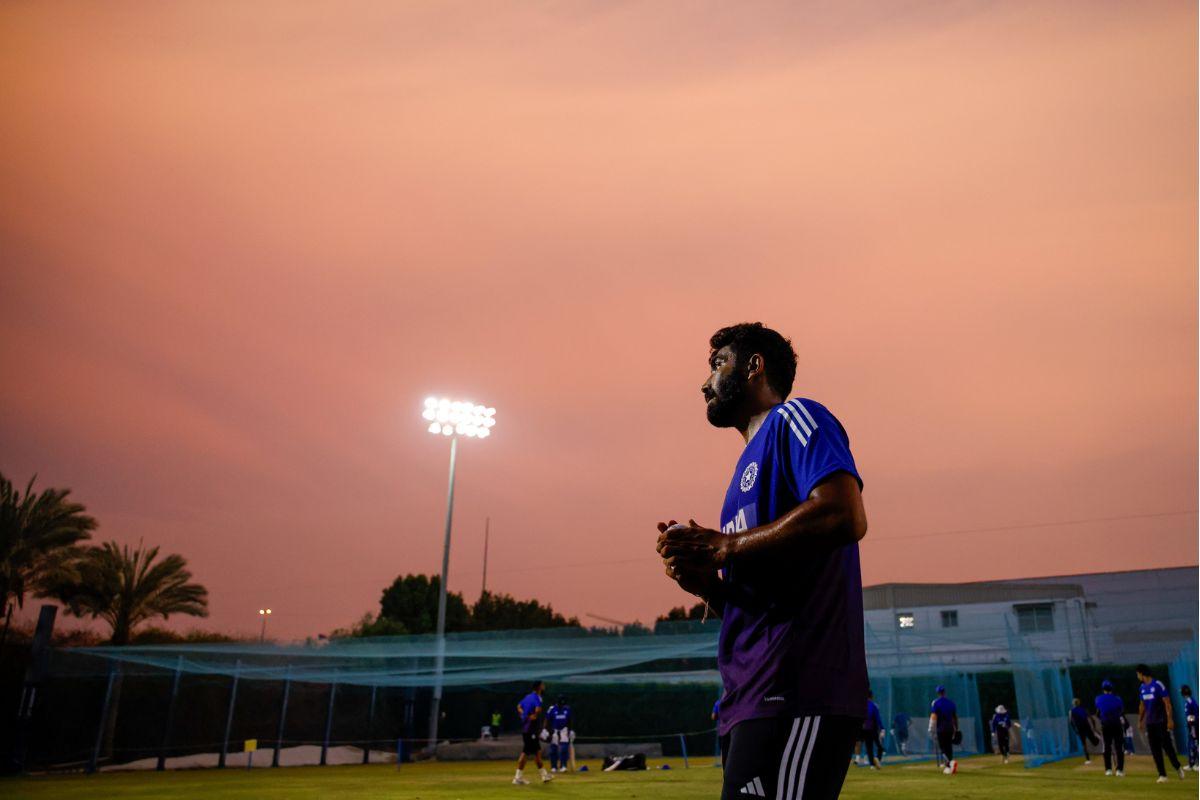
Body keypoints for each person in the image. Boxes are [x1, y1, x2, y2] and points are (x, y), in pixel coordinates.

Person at [656, 322, 869, 800]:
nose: (705, 381)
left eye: (718, 363)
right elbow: (762, 597)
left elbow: (844, 514)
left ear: (754, 367)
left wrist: (725, 547)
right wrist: (705, 583)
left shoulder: (796, 417)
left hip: (799, 686)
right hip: (749, 694)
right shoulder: (739, 477)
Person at [1136, 664, 1184, 783]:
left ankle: (1177, 766)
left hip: (1161, 722)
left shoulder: (1158, 685)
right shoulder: (1141, 688)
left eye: (1138, 674)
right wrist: (1140, 720)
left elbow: (1167, 703)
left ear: (1142, 674)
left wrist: (1170, 719)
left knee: (1167, 747)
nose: (1137, 676)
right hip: (1150, 724)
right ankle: (1162, 775)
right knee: (1155, 749)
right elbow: (1142, 706)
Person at [513, 680, 552, 785]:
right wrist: (532, 716)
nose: (544, 687)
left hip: (527, 729)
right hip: (531, 730)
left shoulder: (527, 696)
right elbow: (538, 709)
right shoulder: (537, 698)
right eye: (543, 685)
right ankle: (517, 778)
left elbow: (518, 706)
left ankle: (544, 776)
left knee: (537, 753)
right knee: (526, 753)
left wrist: (524, 715)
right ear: (539, 687)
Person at [1095, 680, 1125, 776]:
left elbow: (1098, 712)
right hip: (1116, 724)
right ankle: (1119, 770)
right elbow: (1120, 711)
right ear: (1112, 688)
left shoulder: (1098, 698)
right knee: (1119, 747)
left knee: (1107, 747)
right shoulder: (1118, 699)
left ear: (1103, 689)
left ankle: (1108, 769)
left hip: (1105, 725)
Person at [929, 686, 958, 775]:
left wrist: (931, 728)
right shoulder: (951, 703)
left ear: (938, 693)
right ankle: (949, 766)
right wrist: (956, 728)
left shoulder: (936, 703)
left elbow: (934, 716)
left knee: (943, 748)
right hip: (950, 728)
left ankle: (950, 764)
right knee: (949, 747)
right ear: (944, 692)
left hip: (941, 729)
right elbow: (955, 717)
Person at [545, 697, 573, 773]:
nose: (562, 705)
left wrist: (570, 731)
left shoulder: (567, 709)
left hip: (564, 730)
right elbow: (547, 719)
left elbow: (569, 720)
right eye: (560, 704)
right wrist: (546, 730)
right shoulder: (552, 709)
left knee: (564, 749)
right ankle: (553, 766)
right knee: (553, 749)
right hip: (554, 730)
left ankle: (563, 766)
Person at [1069, 697, 1099, 764]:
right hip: (1084, 727)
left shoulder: (1072, 711)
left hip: (1081, 728)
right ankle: (1088, 759)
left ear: (1073, 704)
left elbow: (1071, 722)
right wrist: (1094, 727)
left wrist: (1075, 729)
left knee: (1085, 744)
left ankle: (1088, 759)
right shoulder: (1082, 709)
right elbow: (1092, 719)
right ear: (1078, 703)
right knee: (1091, 743)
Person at [861, 691, 884, 769]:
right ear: (872, 697)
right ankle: (877, 758)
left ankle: (872, 765)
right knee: (879, 747)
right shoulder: (874, 706)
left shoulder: (862, 706)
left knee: (869, 747)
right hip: (873, 730)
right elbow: (877, 718)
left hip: (864, 730)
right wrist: (882, 728)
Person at [1181, 685, 1198, 771]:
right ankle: (1191, 764)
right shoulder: (1189, 701)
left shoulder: (1190, 702)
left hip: (1194, 726)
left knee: (1194, 744)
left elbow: (1195, 715)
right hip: (1192, 725)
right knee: (1191, 744)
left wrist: (1191, 723)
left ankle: (1195, 764)